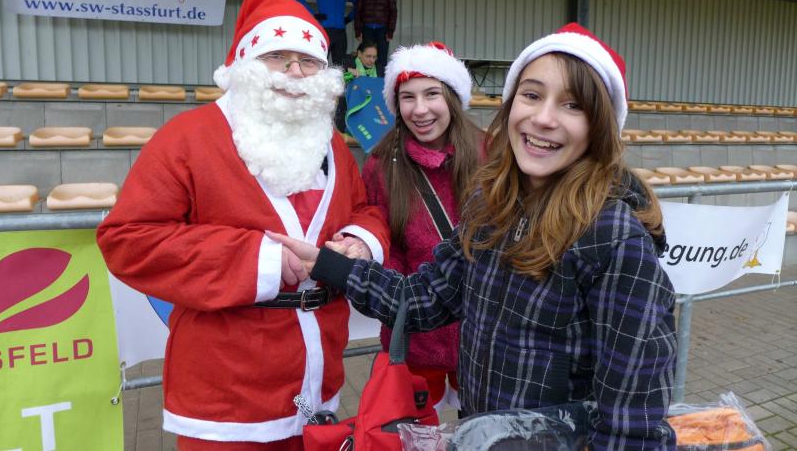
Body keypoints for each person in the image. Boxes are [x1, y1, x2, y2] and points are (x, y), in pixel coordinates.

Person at [270, 23, 679, 450]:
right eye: (532, 95)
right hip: (484, 434)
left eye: (572, 105)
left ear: (601, 126)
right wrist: (330, 264)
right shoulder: (492, 204)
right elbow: (423, 298)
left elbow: (632, 423)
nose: (543, 118)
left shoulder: (613, 237)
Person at [96, 0, 389, 450]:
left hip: (319, 377)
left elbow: (363, 209)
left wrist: (360, 240)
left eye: (308, 61)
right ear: (246, 65)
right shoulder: (188, 138)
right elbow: (128, 239)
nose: (295, 72)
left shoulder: (330, 143)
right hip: (225, 392)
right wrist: (258, 261)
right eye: (278, 57)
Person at [362, 41, 483, 413]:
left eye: (432, 94)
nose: (419, 109)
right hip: (415, 333)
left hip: (481, 334)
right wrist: (404, 304)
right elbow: (387, 247)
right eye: (407, 97)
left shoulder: (491, 153)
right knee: (415, 433)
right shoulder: (381, 165)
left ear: (452, 97)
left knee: (485, 430)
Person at [296, 0, 357, 66]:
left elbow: (359, 4)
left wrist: (349, 18)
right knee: (320, 63)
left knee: (340, 66)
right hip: (324, 31)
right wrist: (313, 15)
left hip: (340, 32)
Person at [354, 0, 397, 76]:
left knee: (381, 57)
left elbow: (393, 11)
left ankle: (380, 81)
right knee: (367, 55)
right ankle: (365, 79)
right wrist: (358, 30)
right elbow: (358, 10)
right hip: (367, 28)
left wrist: (390, 31)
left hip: (383, 29)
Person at [335, 40, 379, 132]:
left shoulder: (380, 70)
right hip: (348, 115)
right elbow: (334, 79)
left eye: (374, 57)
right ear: (359, 54)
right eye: (368, 56)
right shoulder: (347, 64)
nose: (372, 60)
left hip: (372, 115)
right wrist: (346, 71)